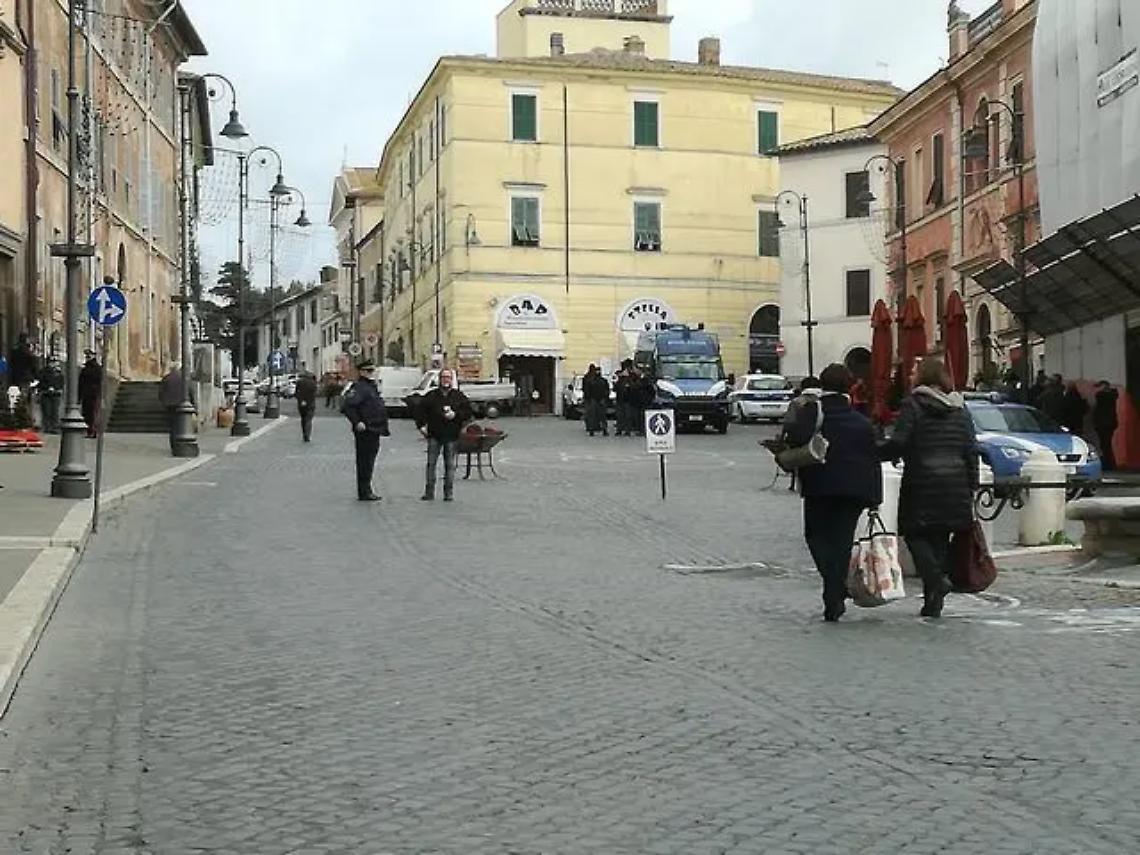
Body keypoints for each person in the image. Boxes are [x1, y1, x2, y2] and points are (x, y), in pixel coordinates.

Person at [879, 358, 978, 618]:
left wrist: (876, 452)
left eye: (913, 371)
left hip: (921, 480)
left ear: (923, 376)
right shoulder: (960, 408)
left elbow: (899, 441)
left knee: (915, 535)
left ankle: (936, 581)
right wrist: (972, 484)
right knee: (940, 541)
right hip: (955, 483)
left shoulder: (913, 404)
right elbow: (971, 450)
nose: (910, 374)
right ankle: (933, 603)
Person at [784, 365, 882, 622]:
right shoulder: (861, 421)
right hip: (854, 492)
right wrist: (875, 497)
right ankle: (835, 591)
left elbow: (792, 437)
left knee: (815, 536)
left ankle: (833, 589)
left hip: (819, 487)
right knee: (841, 543)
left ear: (823, 385)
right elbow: (873, 459)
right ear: (849, 388)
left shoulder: (811, 412)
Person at [415, 368, 472, 501]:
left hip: (451, 436)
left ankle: (448, 493)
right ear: (439, 379)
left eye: (448, 377)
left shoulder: (459, 396)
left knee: (450, 465)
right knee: (431, 464)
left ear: (451, 380)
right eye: (443, 377)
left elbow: (468, 413)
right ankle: (429, 492)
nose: (446, 380)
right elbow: (419, 411)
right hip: (434, 435)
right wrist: (421, 426)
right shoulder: (431, 396)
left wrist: (456, 415)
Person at [341, 361, 390, 501]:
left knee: (369, 460)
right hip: (366, 429)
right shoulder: (360, 387)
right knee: (364, 461)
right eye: (368, 371)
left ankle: (366, 488)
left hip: (375, 429)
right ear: (361, 372)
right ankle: (364, 491)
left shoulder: (370, 387)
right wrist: (357, 422)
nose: (371, 374)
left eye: (372, 371)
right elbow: (348, 406)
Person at [159, 365, 196, 452]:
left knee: (172, 427)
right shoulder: (185, 379)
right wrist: (194, 407)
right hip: (181, 404)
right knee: (181, 425)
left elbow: (161, 392)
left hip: (169, 405)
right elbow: (191, 392)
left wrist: (163, 402)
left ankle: (173, 445)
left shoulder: (167, 378)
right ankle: (180, 445)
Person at [1094, 381, 1119, 471]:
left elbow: (1098, 397)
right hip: (1108, 423)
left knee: (1105, 445)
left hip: (1104, 424)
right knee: (1106, 444)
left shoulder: (1103, 396)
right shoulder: (1111, 396)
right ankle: (1110, 464)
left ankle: (1108, 464)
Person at [78, 350, 103, 438]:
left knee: (92, 414)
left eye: (89, 356)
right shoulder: (85, 368)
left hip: (93, 394)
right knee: (86, 413)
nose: (87, 358)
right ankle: (89, 431)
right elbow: (80, 383)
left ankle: (93, 431)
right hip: (86, 394)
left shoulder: (96, 368)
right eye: (87, 356)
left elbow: (99, 381)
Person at [582, 364, 610, 436]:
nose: (597, 372)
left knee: (601, 416)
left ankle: (603, 429)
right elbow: (587, 391)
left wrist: (605, 398)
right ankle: (592, 430)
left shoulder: (603, 381)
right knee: (593, 415)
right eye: (597, 371)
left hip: (599, 400)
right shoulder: (590, 380)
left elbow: (607, 391)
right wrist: (589, 399)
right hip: (594, 400)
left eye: (598, 371)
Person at [38, 356, 64, 434]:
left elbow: (61, 382)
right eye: (53, 362)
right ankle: (48, 427)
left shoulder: (58, 372)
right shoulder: (44, 371)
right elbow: (41, 381)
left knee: (55, 411)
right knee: (47, 411)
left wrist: (58, 388)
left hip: (55, 394)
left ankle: (54, 427)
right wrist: (47, 387)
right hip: (46, 393)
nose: (54, 363)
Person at [295, 371, 318, 442]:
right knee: (309, 419)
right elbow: (315, 393)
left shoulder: (299, 382)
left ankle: (304, 433)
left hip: (301, 403)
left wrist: (300, 399)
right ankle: (307, 435)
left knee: (303, 418)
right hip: (311, 403)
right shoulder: (313, 383)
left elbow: (296, 392)